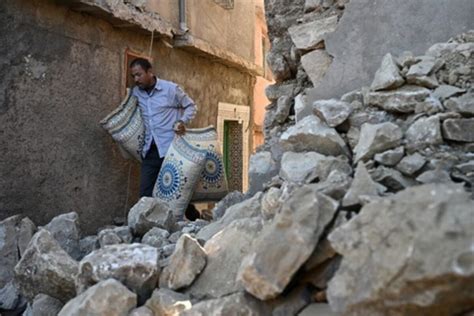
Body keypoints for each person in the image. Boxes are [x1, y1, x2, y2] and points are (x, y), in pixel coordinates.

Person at [130, 57, 197, 198]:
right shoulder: (136, 93)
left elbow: (191, 106)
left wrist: (182, 122)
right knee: (145, 193)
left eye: (139, 75)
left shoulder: (170, 89)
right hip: (150, 150)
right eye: (133, 76)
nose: (136, 79)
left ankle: (193, 217)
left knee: (177, 193)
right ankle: (145, 220)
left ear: (149, 72)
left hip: (171, 150)